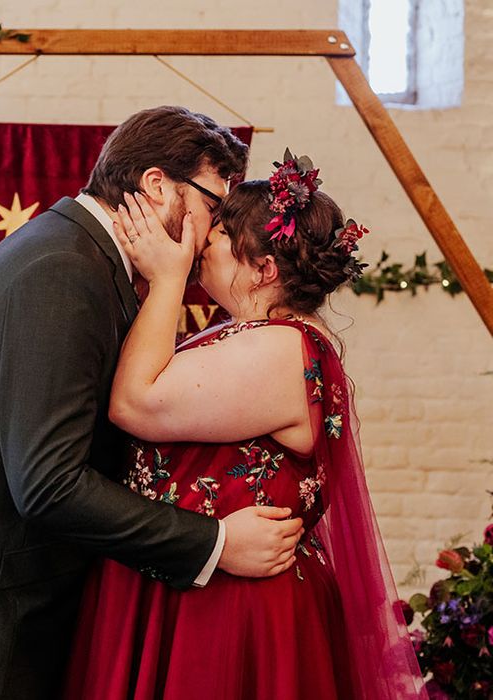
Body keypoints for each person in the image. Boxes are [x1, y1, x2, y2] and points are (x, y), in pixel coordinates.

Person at [0, 107, 305, 700]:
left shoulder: (81, 256)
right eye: (212, 208)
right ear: (156, 186)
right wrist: (216, 543)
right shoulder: (62, 272)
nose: (214, 232)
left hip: (3, 599)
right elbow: (48, 482)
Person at [63, 151, 428, 699]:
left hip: (229, 609)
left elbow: (134, 404)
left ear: (264, 269)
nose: (202, 239)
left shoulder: (282, 348)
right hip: (194, 583)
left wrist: (167, 280)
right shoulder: (258, 336)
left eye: (222, 231)